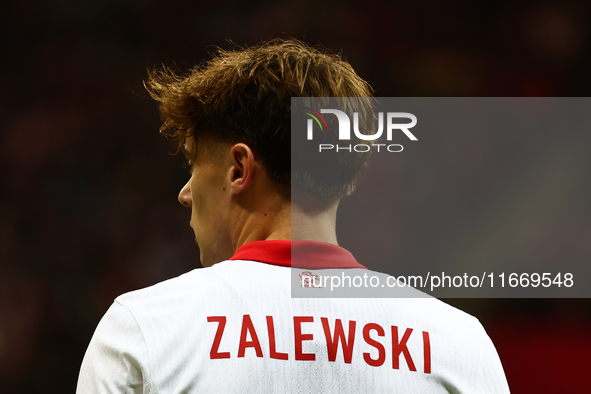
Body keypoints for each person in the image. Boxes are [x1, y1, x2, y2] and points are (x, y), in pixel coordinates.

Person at [76, 39, 510, 393]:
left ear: (239, 169)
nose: (185, 193)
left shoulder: (143, 330)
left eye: (193, 163)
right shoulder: (459, 344)